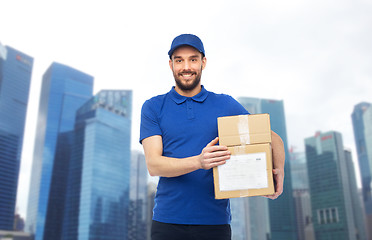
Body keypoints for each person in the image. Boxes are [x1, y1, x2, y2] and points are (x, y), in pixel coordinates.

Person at [140, 33, 285, 240]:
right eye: (179, 60)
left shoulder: (225, 104)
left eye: (193, 59)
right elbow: (154, 165)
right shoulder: (154, 107)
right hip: (167, 222)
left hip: (214, 223)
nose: (186, 67)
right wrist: (199, 161)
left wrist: (278, 171)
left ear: (203, 63)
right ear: (171, 65)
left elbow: (273, 138)